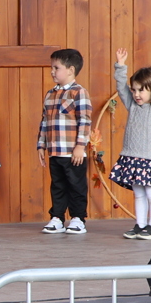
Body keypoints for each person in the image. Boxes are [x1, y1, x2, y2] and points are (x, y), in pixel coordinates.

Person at [109, 49, 151, 240]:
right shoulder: (132, 105)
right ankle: (141, 225)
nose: (136, 94)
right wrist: (121, 66)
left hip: (149, 159)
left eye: (141, 90)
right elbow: (121, 88)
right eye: (134, 90)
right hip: (132, 156)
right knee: (138, 194)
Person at [37, 48, 94, 234]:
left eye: (56, 67)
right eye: (52, 67)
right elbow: (44, 121)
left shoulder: (79, 93)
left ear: (70, 70)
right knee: (58, 185)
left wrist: (80, 146)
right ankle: (57, 218)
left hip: (73, 152)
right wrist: (41, 145)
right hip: (55, 150)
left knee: (76, 185)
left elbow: (85, 121)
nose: (52, 71)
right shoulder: (50, 94)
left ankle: (78, 218)